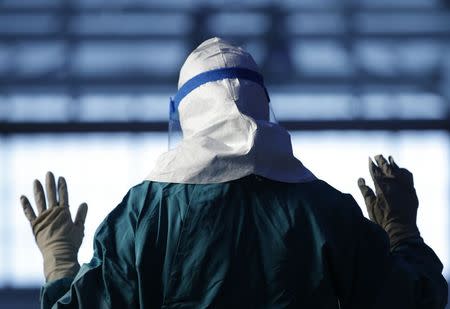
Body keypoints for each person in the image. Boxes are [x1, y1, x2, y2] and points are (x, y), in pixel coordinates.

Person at [21, 38, 447, 308]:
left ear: (185, 113)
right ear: (264, 106)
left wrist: (59, 263)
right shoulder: (326, 210)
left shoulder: (144, 211)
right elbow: (411, 300)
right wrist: (403, 233)